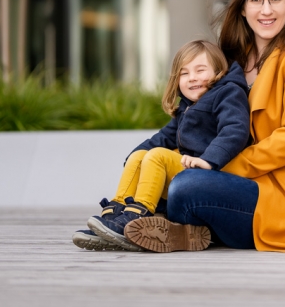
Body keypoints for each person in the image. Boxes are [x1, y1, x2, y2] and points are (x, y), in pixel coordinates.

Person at [123, 0, 285, 253]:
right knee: (156, 164)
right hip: (229, 179)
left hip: (282, 194)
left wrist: (220, 166)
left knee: (187, 187)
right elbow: (195, 123)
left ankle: (174, 227)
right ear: (242, 7)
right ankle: (126, 220)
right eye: (256, 0)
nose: (266, 10)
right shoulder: (229, 61)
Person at [73, 40, 250, 251]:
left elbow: (235, 129)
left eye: (200, 70)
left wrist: (208, 159)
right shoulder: (187, 107)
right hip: (192, 173)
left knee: (157, 155)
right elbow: (162, 137)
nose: (192, 77)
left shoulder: (228, 93)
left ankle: (137, 216)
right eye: (184, 73)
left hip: (217, 175)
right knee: (141, 154)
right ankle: (118, 212)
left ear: (219, 72)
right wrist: (132, 160)